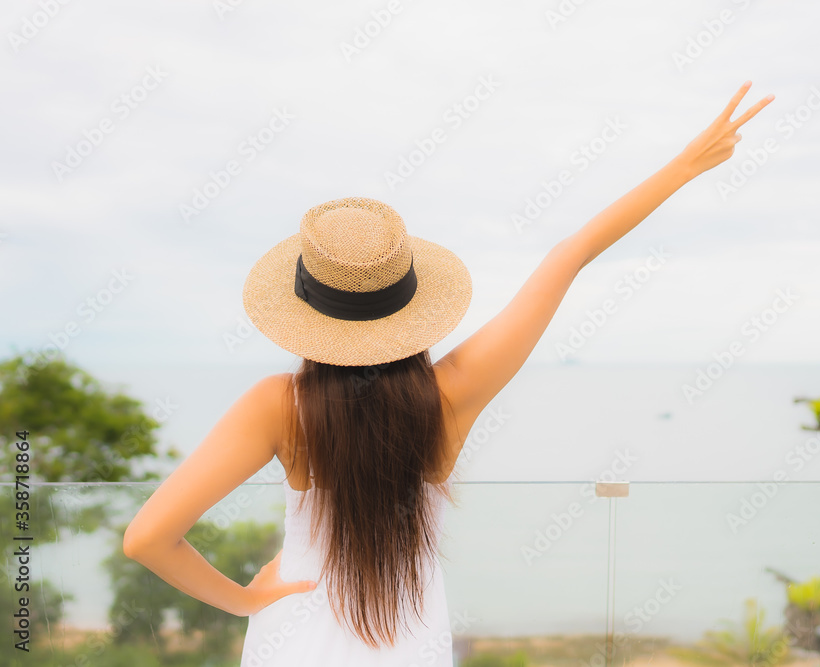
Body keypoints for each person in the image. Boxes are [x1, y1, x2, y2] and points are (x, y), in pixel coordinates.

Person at [122, 80, 773, 665]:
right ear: (408, 304)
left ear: (306, 313)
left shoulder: (278, 405)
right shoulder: (453, 390)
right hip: (409, 638)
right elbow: (568, 256)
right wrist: (687, 164)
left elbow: (148, 537)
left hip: (293, 636)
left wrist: (243, 600)